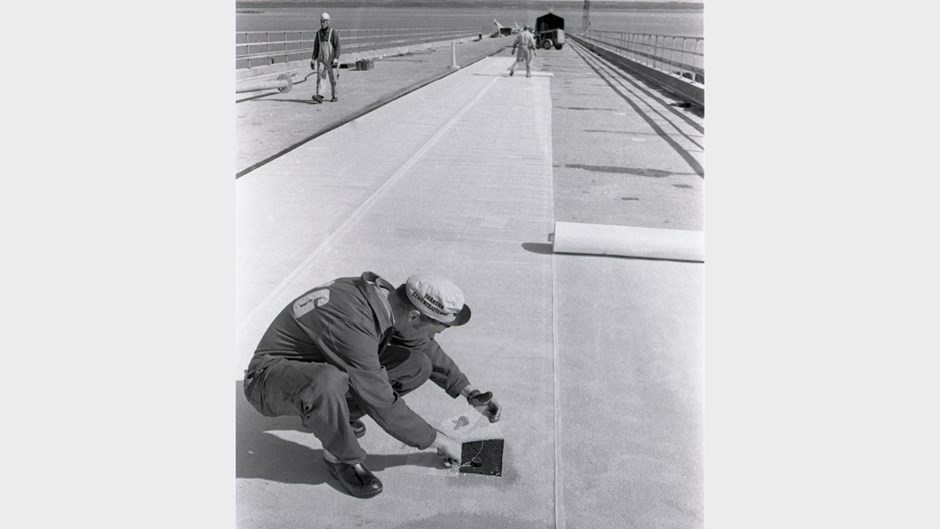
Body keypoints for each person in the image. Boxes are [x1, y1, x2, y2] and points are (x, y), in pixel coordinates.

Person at [243, 271, 503, 498]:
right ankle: (340, 457)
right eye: (435, 330)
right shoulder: (352, 321)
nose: (433, 336)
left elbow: (423, 346)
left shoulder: (386, 301)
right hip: (269, 379)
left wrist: (469, 391)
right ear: (414, 316)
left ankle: (336, 416)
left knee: (417, 364)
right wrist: (443, 442)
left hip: (317, 362)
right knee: (327, 382)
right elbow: (379, 398)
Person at [310, 12, 340, 102]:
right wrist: (313, 59)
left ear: (328, 22)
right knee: (320, 76)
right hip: (321, 59)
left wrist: (336, 58)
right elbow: (316, 47)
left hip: (331, 59)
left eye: (324, 22)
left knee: (333, 77)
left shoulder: (333, 33)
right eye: (321, 22)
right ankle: (320, 96)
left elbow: (337, 47)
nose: (322, 24)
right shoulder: (318, 34)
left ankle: (335, 96)